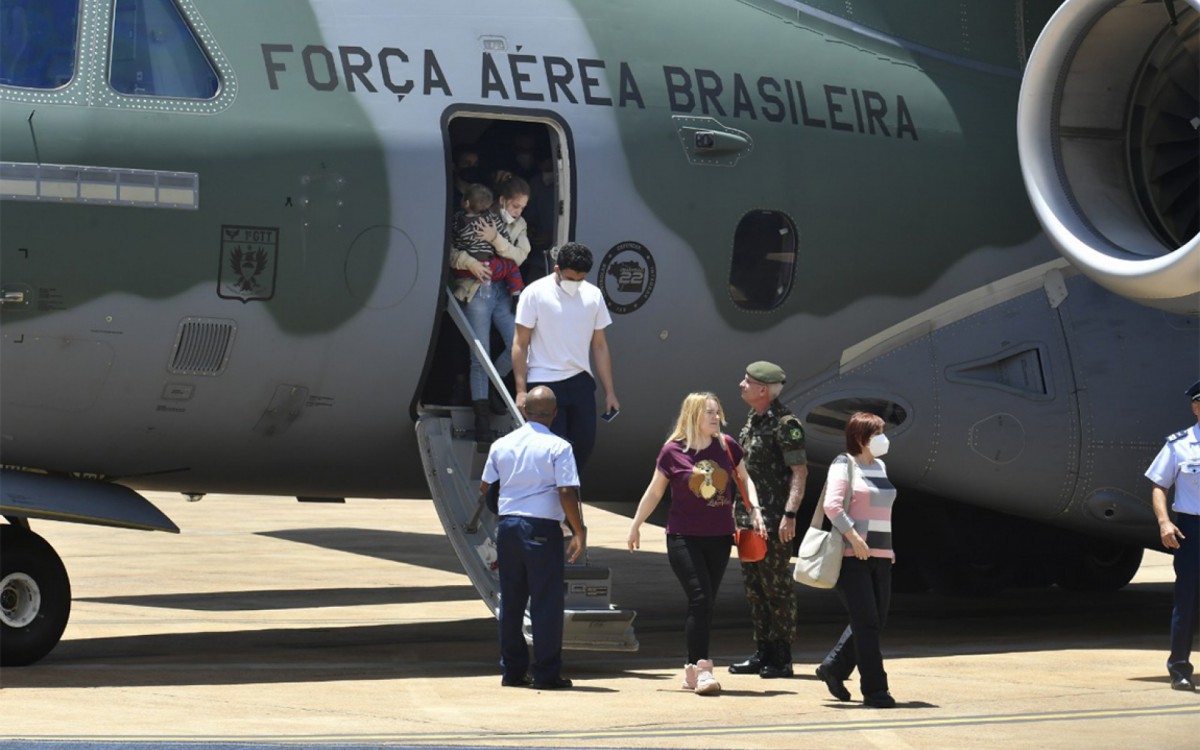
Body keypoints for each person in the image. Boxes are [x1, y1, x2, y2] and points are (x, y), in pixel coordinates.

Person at [626, 392, 765, 695]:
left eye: (717, 412)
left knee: (705, 604)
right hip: (682, 537)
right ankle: (703, 670)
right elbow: (654, 492)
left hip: (719, 537)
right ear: (692, 416)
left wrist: (754, 509)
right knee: (700, 598)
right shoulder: (672, 451)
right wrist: (635, 525)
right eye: (709, 413)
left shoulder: (727, 446)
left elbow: (745, 478)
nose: (716, 418)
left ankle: (691, 670)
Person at [479, 385, 586, 690]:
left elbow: (486, 487)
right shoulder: (559, 447)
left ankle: (512, 671)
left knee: (511, 602)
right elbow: (566, 490)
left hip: (509, 528)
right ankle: (546, 674)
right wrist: (578, 530)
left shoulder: (502, 444)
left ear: (524, 411)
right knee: (546, 603)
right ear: (554, 414)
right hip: (541, 530)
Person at [729, 361, 808, 678]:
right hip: (748, 520)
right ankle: (762, 652)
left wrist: (790, 514)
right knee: (754, 588)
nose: (741, 385)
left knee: (777, 588)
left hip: (774, 521)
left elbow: (799, 473)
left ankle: (782, 656)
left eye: (747, 382)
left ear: (764, 390)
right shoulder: (753, 420)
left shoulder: (785, 424)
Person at [816, 411, 898, 709]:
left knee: (877, 620)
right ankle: (876, 690)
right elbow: (832, 506)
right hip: (853, 557)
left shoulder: (880, 465)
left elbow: (880, 509)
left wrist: (888, 547)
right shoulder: (843, 464)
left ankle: (834, 667)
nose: (884, 439)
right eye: (878, 433)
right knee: (866, 623)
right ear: (862, 438)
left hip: (881, 555)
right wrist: (855, 538)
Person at [512, 242, 619, 470]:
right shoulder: (534, 293)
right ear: (557, 269)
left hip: (580, 380)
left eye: (580, 279)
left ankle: (569, 496)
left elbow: (599, 346)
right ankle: (551, 501)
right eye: (571, 278)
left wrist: (610, 392)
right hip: (544, 383)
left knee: (583, 446)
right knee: (550, 451)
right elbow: (520, 343)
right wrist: (521, 391)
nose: (576, 284)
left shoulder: (593, 295)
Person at [449, 181, 531, 447]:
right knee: (479, 355)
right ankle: (481, 420)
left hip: (501, 291)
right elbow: (449, 251)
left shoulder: (518, 225)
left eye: (522, 207)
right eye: (515, 205)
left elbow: (520, 256)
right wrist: (470, 263)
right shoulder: (472, 217)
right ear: (502, 200)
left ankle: (494, 388)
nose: (518, 212)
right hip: (477, 290)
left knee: (520, 345)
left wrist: (495, 239)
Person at [1145, 379, 1200, 692]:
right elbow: (1158, 484)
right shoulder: (1179, 445)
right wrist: (1164, 522)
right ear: (1195, 408)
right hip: (1192, 530)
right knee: (1187, 600)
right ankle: (1179, 669)